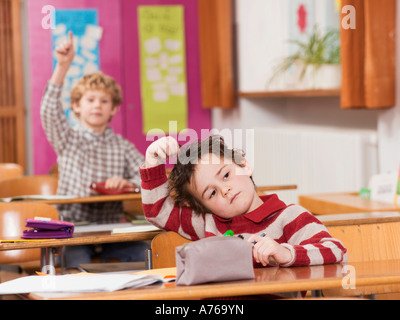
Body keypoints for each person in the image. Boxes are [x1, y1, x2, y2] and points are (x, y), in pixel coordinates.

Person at [140, 135, 347, 269]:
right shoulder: (207, 223)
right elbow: (158, 212)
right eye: (211, 193)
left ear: (244, 165)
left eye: (226, 175)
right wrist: (152, 162)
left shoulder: (290, 216)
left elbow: (336, 249)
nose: (225, 189)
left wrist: (285, 252)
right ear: (204, 207)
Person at [41, 31, 148, 267]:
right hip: (74, 232)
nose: (97, 105)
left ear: (114, 109)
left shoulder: (122, 145)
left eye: (104, 101)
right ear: (76, 106)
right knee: (77, 267)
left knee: (147, 256)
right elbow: (48, 111)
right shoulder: (67, 138)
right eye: (90, 100)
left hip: (113, 229)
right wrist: (62, 66)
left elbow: (148, 176)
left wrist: (128, 184)